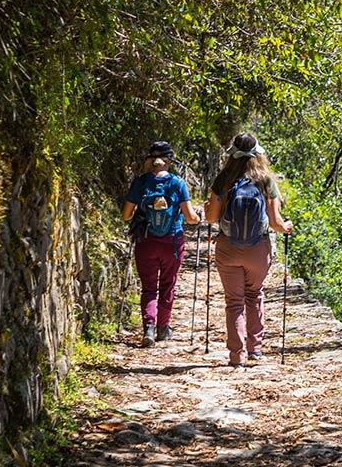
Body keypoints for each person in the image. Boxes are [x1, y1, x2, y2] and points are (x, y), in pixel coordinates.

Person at [203, 133, 293, 367]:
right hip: (257, 249)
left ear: (232, 153)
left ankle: (237, 356)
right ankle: (256, 348)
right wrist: (286, 227)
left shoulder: (223, 179)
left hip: (228, 248)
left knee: (234, 302)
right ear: (257, 154)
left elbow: (212, 217)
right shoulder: (265, 180)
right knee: (254, 295)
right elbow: (275, 222)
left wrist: (207, 208)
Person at [123, 141, 201, 346]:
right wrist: (199, 218)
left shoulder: (140, 183)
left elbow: (126, 215)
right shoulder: (177, 183)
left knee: (149, 287)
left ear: (150, 160)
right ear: (169, 160)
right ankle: (163, 328)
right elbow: (191, 217)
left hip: (146, 242)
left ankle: (148, 328)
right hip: (172, 243)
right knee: (168, 286)